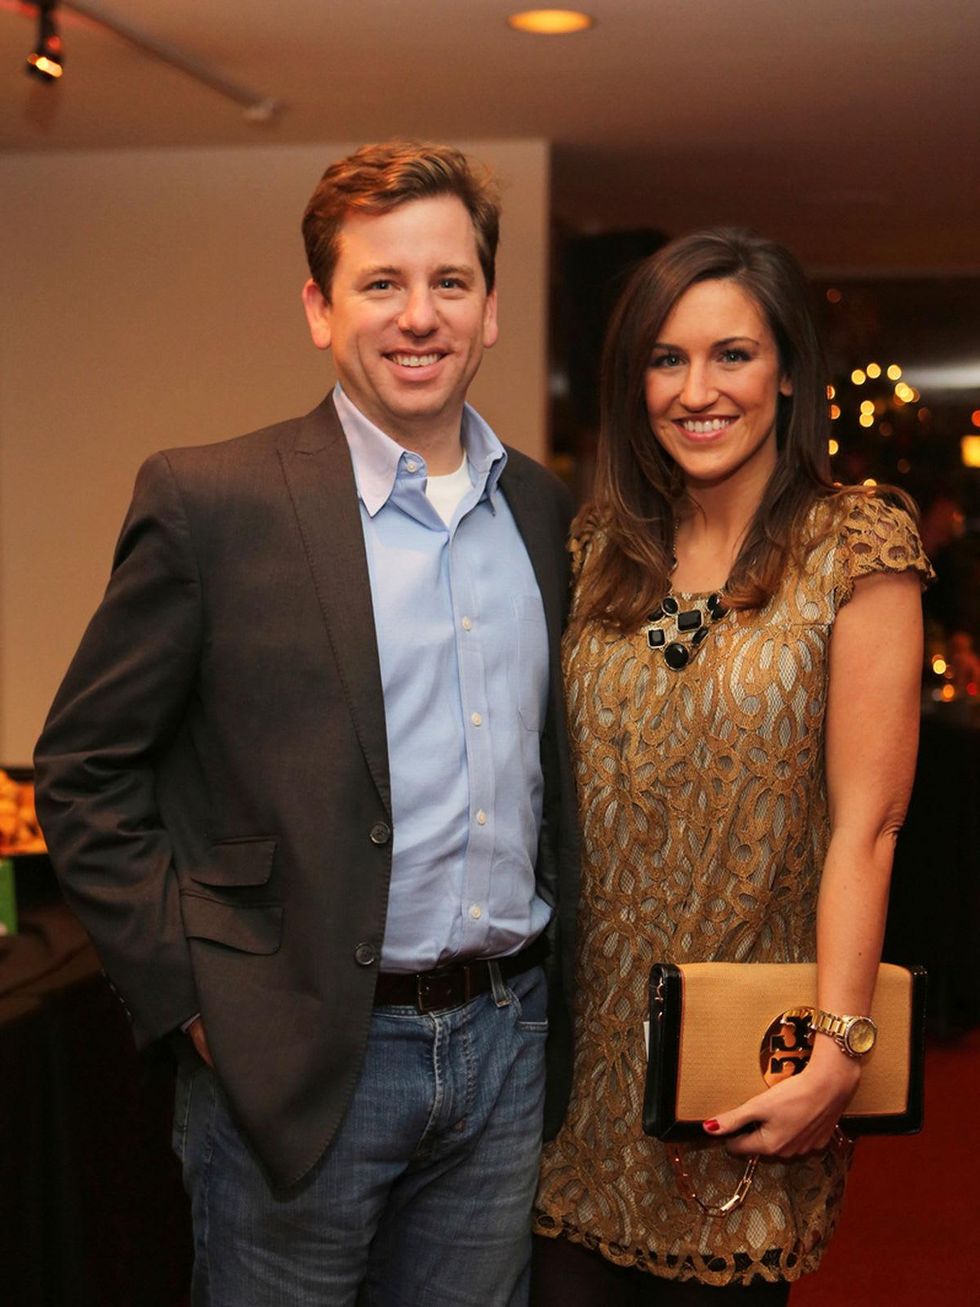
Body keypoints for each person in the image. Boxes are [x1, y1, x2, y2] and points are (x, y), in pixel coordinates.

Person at [34, 140, 579, 1307]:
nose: (417, 315)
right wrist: (197, 1001)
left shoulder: (540, 509)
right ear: (318, 310)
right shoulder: (212, 502)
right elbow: (84, 770)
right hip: (300, 1060)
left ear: (489, 308)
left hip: (504, 1040)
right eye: (379, 283)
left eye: (448, 282)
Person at [532, 228, 933, 1303]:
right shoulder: (595, 550)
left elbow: (869, 821)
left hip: (743, 1069)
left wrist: (836, 1049)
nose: (695, 389)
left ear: (788, 370)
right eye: (665, 359)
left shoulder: (854, 544)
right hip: (571, 1077)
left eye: (731, 354)